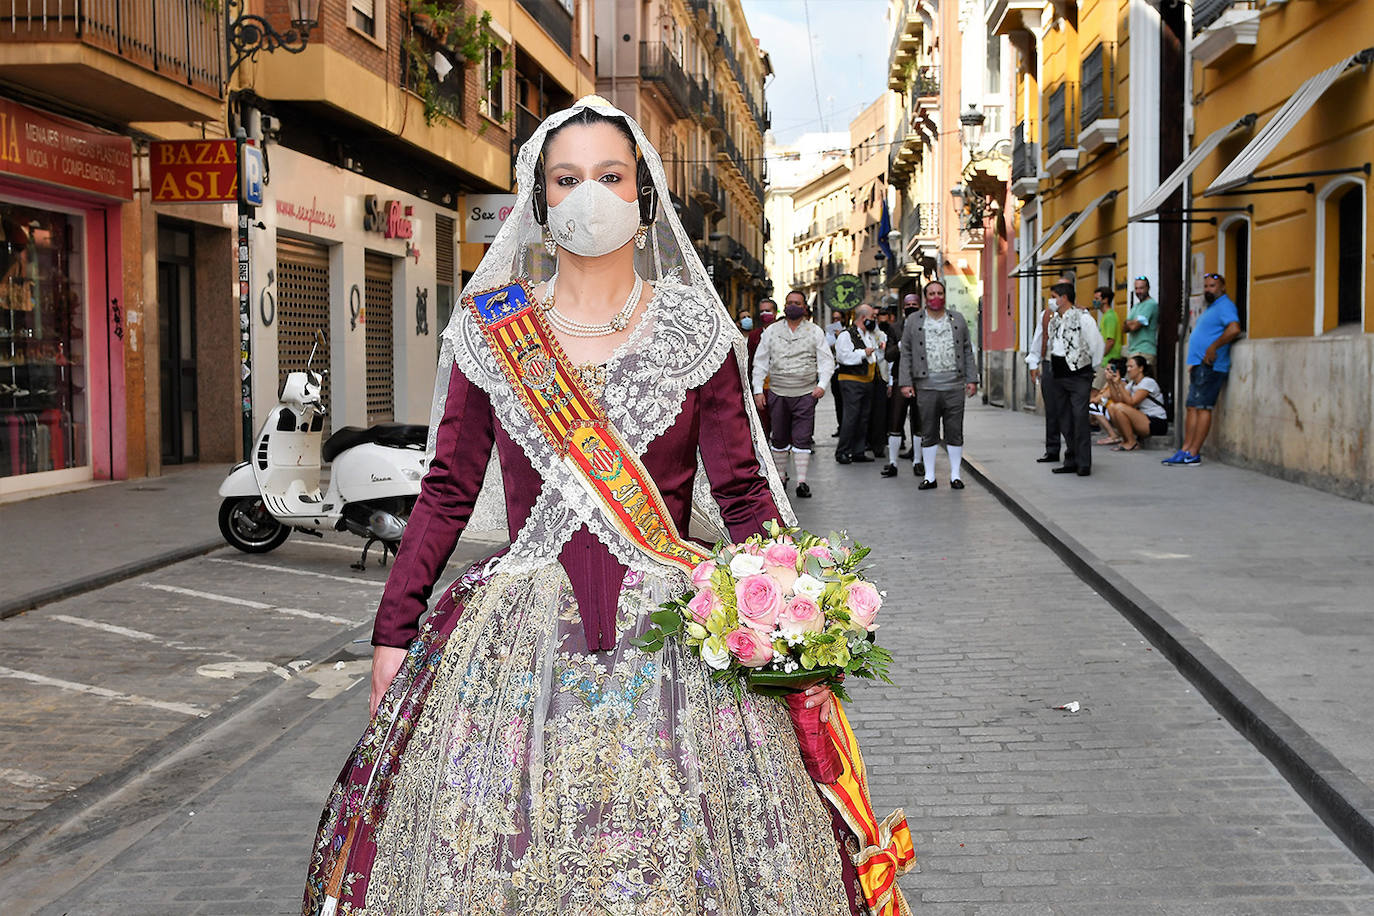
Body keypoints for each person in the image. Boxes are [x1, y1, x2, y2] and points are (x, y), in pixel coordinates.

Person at [301, 97, 874, 916]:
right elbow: (449, 487)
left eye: (609, 176)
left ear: (643, 196)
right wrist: (394, 631)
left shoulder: (694, 328)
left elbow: (742, 489)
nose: (589, 196)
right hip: (515, 633)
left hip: (677, 637)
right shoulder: (492, 327)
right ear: (540, 204)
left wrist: (799, 617)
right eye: (566, 180)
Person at [752, 289, 834, 498]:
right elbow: (760, 361)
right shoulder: (771, 331)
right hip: (778, 392)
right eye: (789, 302)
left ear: (804, 307)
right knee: (778, 437)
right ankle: (780, 477)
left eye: (797, 303)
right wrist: (758, 390)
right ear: (784, 305)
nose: (793, 306)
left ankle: (802, 482)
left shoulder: (815, 331)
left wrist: (822, 385)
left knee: (802, 438)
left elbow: (826, 361)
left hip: (805, 392)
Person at [898, 279, 978, 489]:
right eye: (931, 294)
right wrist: (906, 382)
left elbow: (968, 350)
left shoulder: (957, 319)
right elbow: (905, 353)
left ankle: (955, 475)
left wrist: (972, 379)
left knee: (954, 430)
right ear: (926, 298)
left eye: (940, 293)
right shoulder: (914, 321)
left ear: (945, 296)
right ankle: (930, 476)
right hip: (926, 386)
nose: (936, 297)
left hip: (954, 385)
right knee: (928, 430)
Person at [1164, 272, 1241, 467]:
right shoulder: (1212, 307)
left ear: (1222, 287)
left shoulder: (1225, 306)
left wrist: (1214, 347)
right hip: (1200, 365)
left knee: (1203, 407)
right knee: (1192, 407)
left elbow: (1234, 329)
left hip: (1211, 365)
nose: (1208, 289)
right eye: (1206, 286)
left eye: (1212, 286)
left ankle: (1194, 452)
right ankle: (1185, 449)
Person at [1041, 282, 1104, 477]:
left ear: (1064, 298)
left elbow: (1096, 343)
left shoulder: (1083, 318)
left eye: (1053, 296)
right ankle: (1071, 458)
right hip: (1059, 374)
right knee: (1065, 419)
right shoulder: (1055, 320)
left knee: (1079, 418)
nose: (1051, 301)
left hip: (1078, 375)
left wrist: (1090, 367)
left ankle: (1083, 463)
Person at [833, 303, 882, 464]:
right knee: (851, 417)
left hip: (867, 381)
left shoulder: (868, 334)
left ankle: (858, 451)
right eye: (872, 318)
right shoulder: (847, 335)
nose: (874, 320)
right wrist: (863, 353)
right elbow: (842, 357)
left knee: (863, 417)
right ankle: (843, 451)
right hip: (851, 381)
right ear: (863, 318)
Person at [1102, 354, 1168, 450]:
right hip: (1143, 419)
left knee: (1119, 407)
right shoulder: (1132, 384)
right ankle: (1126, 440)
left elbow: (1132, 402)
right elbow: (1117, 400)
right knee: (1112, 407)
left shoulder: (1148, 382)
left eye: (1131, 367)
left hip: (1157, 421)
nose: (1128, 370)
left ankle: (1132, 442)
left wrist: (1119, 385)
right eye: (1127, 367)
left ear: (1141, 368)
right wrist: (1111, 382)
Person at [1124, 276, 1159, 374]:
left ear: (1148, 288)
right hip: (1133, 351)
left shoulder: (1151, 304)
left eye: (1141, 288)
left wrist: (1131, 323)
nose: (1138, 291)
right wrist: (1130, 323)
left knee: (1144, 384)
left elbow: (1134, 326)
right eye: (1136, 288)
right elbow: (1124, 327)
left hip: (1145, 351)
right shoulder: (1136, 306)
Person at [824, 307, 850, 436]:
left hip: (846, 371)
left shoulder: (849, 332)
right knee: (838, 402)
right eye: (834, 319)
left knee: (847, 402)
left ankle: (847, 428)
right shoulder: (829, 332)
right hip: (835, 371)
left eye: (838, 319)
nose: (836, 321)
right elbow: (826, 347)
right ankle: (841, 427)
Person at [1092, 285, 1122, 389]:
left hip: (1108, 362)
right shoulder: (1106, 316)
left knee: (1096, 390)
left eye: (1097, 299)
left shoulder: (1110, 317)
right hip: (1106, 361)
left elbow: (1110, 341)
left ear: (1105, 300)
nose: (1094, 301)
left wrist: (1099, 357)